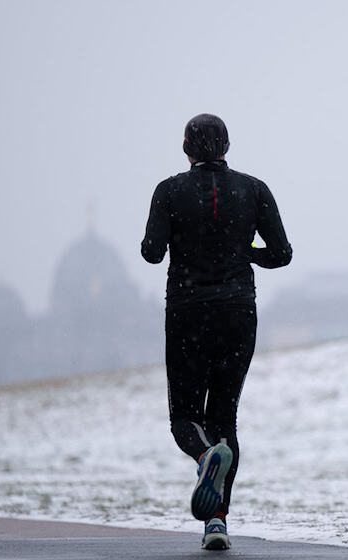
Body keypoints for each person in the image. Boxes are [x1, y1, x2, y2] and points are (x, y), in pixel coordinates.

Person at [141, 113, 292, 550]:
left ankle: (206, 456)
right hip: (238, 312)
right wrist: (242, 250)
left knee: (185, 418)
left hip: (188, 312)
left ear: (186, 147)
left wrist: (179, 241)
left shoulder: (169, 191)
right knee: (224, 417)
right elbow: (281, 253)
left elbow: (152, 253)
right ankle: (217, 523)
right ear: (227, 145)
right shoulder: (254, 190)